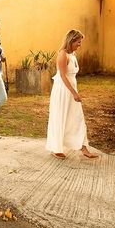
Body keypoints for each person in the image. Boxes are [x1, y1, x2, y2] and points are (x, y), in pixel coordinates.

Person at [45, 29, 98, 159]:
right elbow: (63, 76)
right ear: (71, 41)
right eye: (78, 42)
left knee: (77, 117)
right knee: (60, 116)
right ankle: (56, 147)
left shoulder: (73, 54)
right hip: (62, 90)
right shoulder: (63, 54)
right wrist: (74, 93)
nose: (80, 45)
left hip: (71, 88)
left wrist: (75, 91)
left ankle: (84, 147)